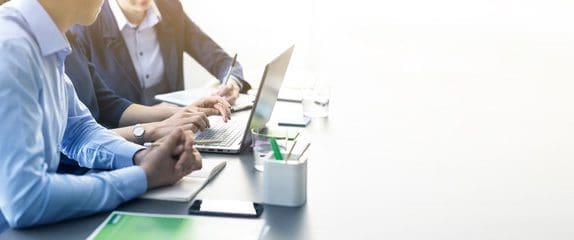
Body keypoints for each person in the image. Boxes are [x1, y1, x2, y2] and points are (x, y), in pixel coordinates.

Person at [0, 0, 201, 230]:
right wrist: (142, 177)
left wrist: (142, 157)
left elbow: (78, 131)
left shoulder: (44, 41)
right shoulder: (10, 47)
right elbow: (25, 200)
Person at [58, 32, 231, 174]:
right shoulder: (41, 49)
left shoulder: (68, 38)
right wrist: (153, 130)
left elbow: (109, 105)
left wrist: (184, 111)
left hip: (103, 159)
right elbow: (67, 144)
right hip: (78, 171)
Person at [72, 0, 251, 106]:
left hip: (177, 128)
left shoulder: (170, 8)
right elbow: (88, 109)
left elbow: (220, 60)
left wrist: (232, 82)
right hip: (121, 136)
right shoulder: (87, 23)